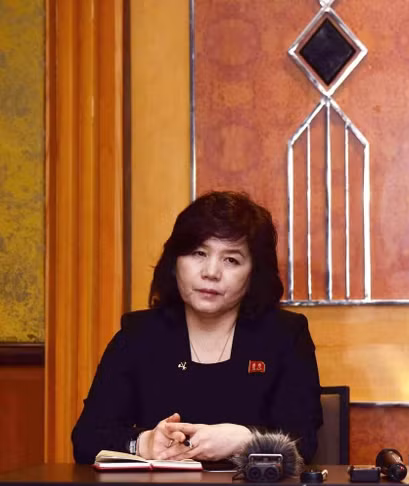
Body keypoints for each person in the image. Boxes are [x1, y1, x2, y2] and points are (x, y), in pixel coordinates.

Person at [72, 191, 323, 464]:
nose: (211, 272)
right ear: (174, 263)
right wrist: (143, 443)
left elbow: (304, 442)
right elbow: (86, 439)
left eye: (231, 260)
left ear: (254, 273)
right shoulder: (138, 336)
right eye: (198, 253)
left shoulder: (284, 336)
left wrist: (244, 441)